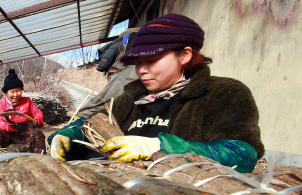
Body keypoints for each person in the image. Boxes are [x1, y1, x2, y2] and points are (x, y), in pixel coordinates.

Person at [50, 14, 264, 173]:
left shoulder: (223, 93)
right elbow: (94, 124)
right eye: (138, 63)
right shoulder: (131, 99)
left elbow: (242, 155)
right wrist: (68, 136)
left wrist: (159, 147)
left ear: (185, 55)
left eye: (151, 61)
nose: (141, 70)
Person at [0, 69, 45, 153]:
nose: (15, 95)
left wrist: (38, 119)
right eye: (12, 92)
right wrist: (7, 126)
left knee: (38, 134)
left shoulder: (27, 101)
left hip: (23, 134)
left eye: (18, 91)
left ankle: (40, 160)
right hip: (6, 134)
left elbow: (37, 113)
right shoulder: (1, 103)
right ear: (6, 93)